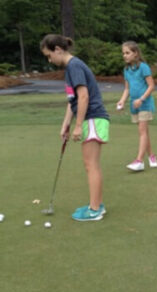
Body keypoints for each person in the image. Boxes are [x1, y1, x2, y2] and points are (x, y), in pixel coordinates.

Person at [40, 34, 109, 221]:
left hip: (93, 117)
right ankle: (96, 205)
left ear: (58, 50)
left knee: (91, 164)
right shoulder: (71, 68)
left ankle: (95, 210)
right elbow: (73, 101)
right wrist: (66, 125)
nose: (49, 59)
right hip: (89, 118)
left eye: (49, 55)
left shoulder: (74, 66)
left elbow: (84, 96)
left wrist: (78, 126)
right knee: (90, 164)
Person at [117, 41, 157, 172]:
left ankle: (139, 161)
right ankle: (151, 156)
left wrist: (141, 99)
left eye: (127, 53)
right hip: (133, 105)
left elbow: (152, 86)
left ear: (135, 53)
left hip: (145, 103)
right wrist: (122, 101)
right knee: (143, 132)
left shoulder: (144, 67)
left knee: (142, 132)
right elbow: (127, 89)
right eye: (123, 53)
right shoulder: (127, 70)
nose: (125, 55)